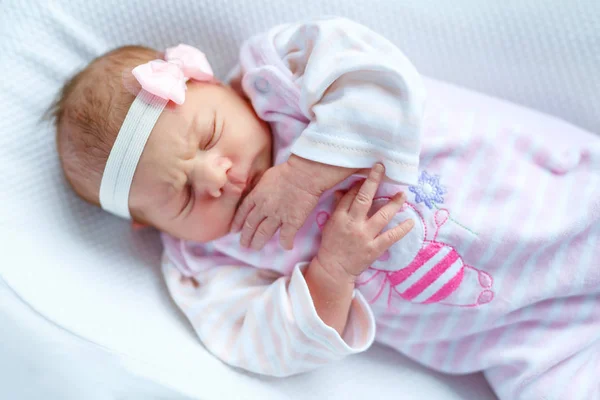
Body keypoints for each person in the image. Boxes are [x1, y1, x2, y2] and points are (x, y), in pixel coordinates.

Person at [50, 16, 600, 400]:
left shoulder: (283, 77)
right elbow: (261, 342)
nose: (216, 176)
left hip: (559, 200)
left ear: (212, 84)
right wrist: (332, 273)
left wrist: (305, 174)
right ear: (153, 224)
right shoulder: (206, 265)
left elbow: (382, 79)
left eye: (211, 133)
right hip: (527, 342)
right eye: (185, 197)